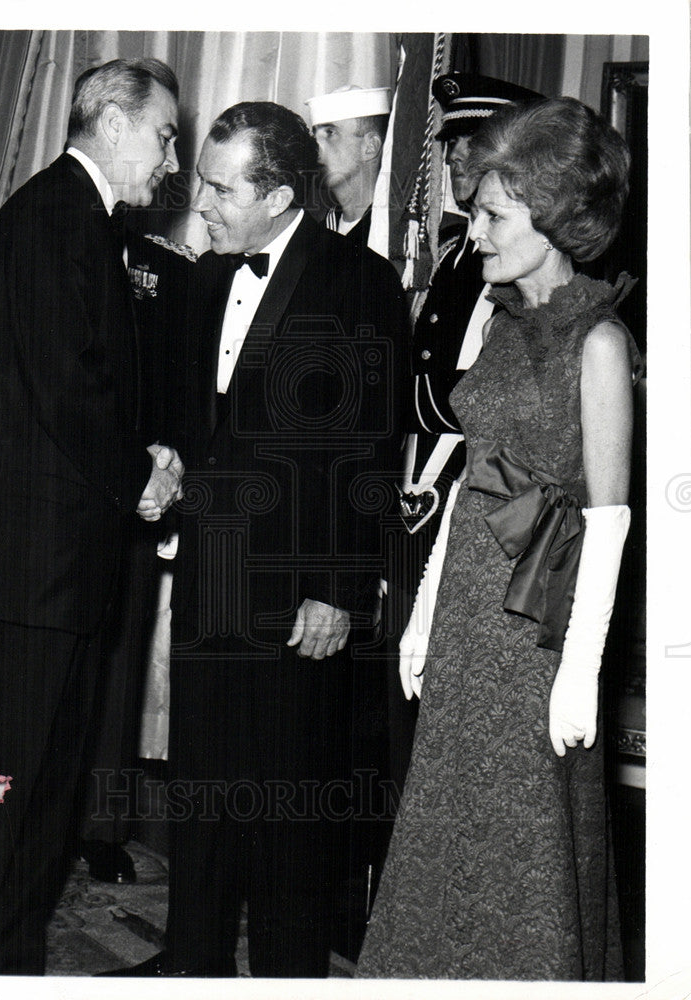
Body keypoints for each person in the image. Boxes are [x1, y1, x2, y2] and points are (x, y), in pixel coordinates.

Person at [105, 100, 408, 979]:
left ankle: (285, 976)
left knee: (288, 816)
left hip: (297, 599)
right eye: (201, 177)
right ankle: (192, 961)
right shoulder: (205, 281)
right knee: (202, 798)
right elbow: (195, 427)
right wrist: (163, 466)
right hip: (209, 581)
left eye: (218, 185)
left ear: (278, 195)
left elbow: (369, 455)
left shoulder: (360, 283)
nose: (200, 200)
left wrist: (341, 591)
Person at [357, 95, 642, 980]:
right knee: (444, 834)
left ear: (553, 221)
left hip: (535, 635)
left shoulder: (595, 343)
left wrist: (579, 671)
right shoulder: (504, 320)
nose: (472, 229)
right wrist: (423, 615)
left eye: (492, 214)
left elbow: (606, 520)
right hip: (466, 623)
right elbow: (472, 479)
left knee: (521, 855)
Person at [0, 57, 184, 975]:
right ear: (113, 122)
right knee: (11, 783)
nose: (171, 161)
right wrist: (139, 473)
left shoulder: (79, 219)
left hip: (59, 566)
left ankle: (7, 952)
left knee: (49, 786)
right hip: (35, 570)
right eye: (166, 134)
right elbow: (69, 388)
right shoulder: (55, 218)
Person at [391, 73, 541, 790]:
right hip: (426, 478)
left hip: (477, 481)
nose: (454, 158)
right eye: (449, 143)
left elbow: (480, 399)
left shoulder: (515, 273)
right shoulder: (455, 254)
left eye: (470, 145)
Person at [76, 228, 197, 884]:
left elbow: (183, 383)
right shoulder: (60, 242)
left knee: (119, 670)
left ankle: (102, 828)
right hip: (61, 498)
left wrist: (171, 471)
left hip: (137, 505)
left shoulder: (166, 268)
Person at [306, 84, 391, 249]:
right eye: (314, 133)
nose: (314, 145)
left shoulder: (394, 234)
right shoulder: (316, 234)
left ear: (370, 147)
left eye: (330, 133)